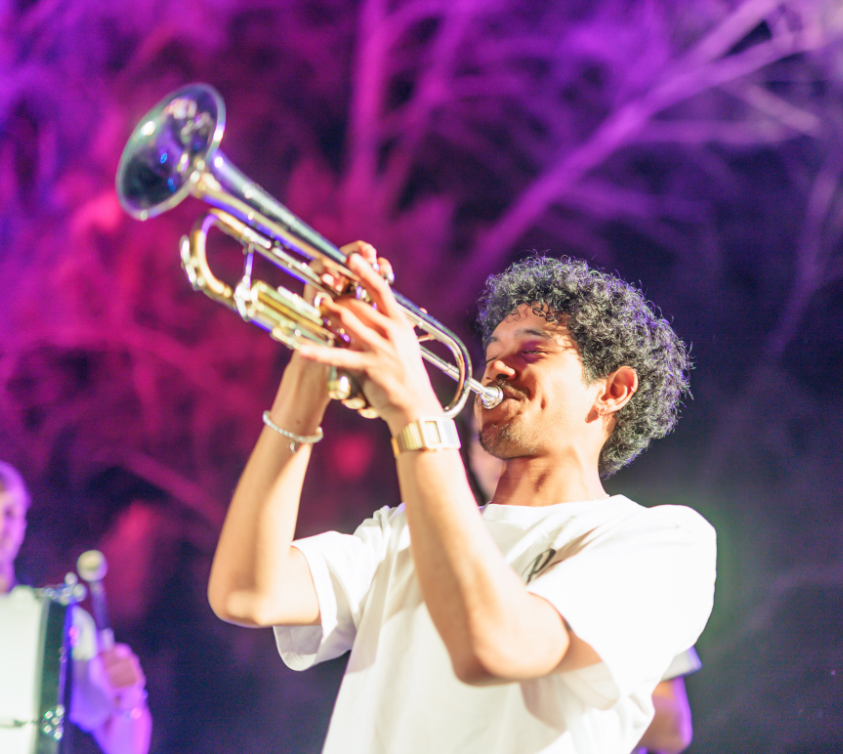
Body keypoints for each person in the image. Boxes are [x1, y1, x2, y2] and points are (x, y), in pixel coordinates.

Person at [209, 248, 716, 753]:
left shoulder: (665, 541)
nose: (495, 370)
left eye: (531, 351)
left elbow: (496, 644)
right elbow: (246, 592)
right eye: (492, 355)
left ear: (613, 390)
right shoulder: (408, 528)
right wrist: (310, 369)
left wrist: (416, 415)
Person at [469, 428, 699, 754]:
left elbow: (672, 728)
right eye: (486, 440)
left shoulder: (617, 544)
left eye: (516, 434)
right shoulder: (446, 556)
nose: (499, 456)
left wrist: (556, 675)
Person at [0, 460, 152, 754]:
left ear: (23, 525)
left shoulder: (59, 624)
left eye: (11, 512)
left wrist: (128, 701)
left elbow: (126, 748)